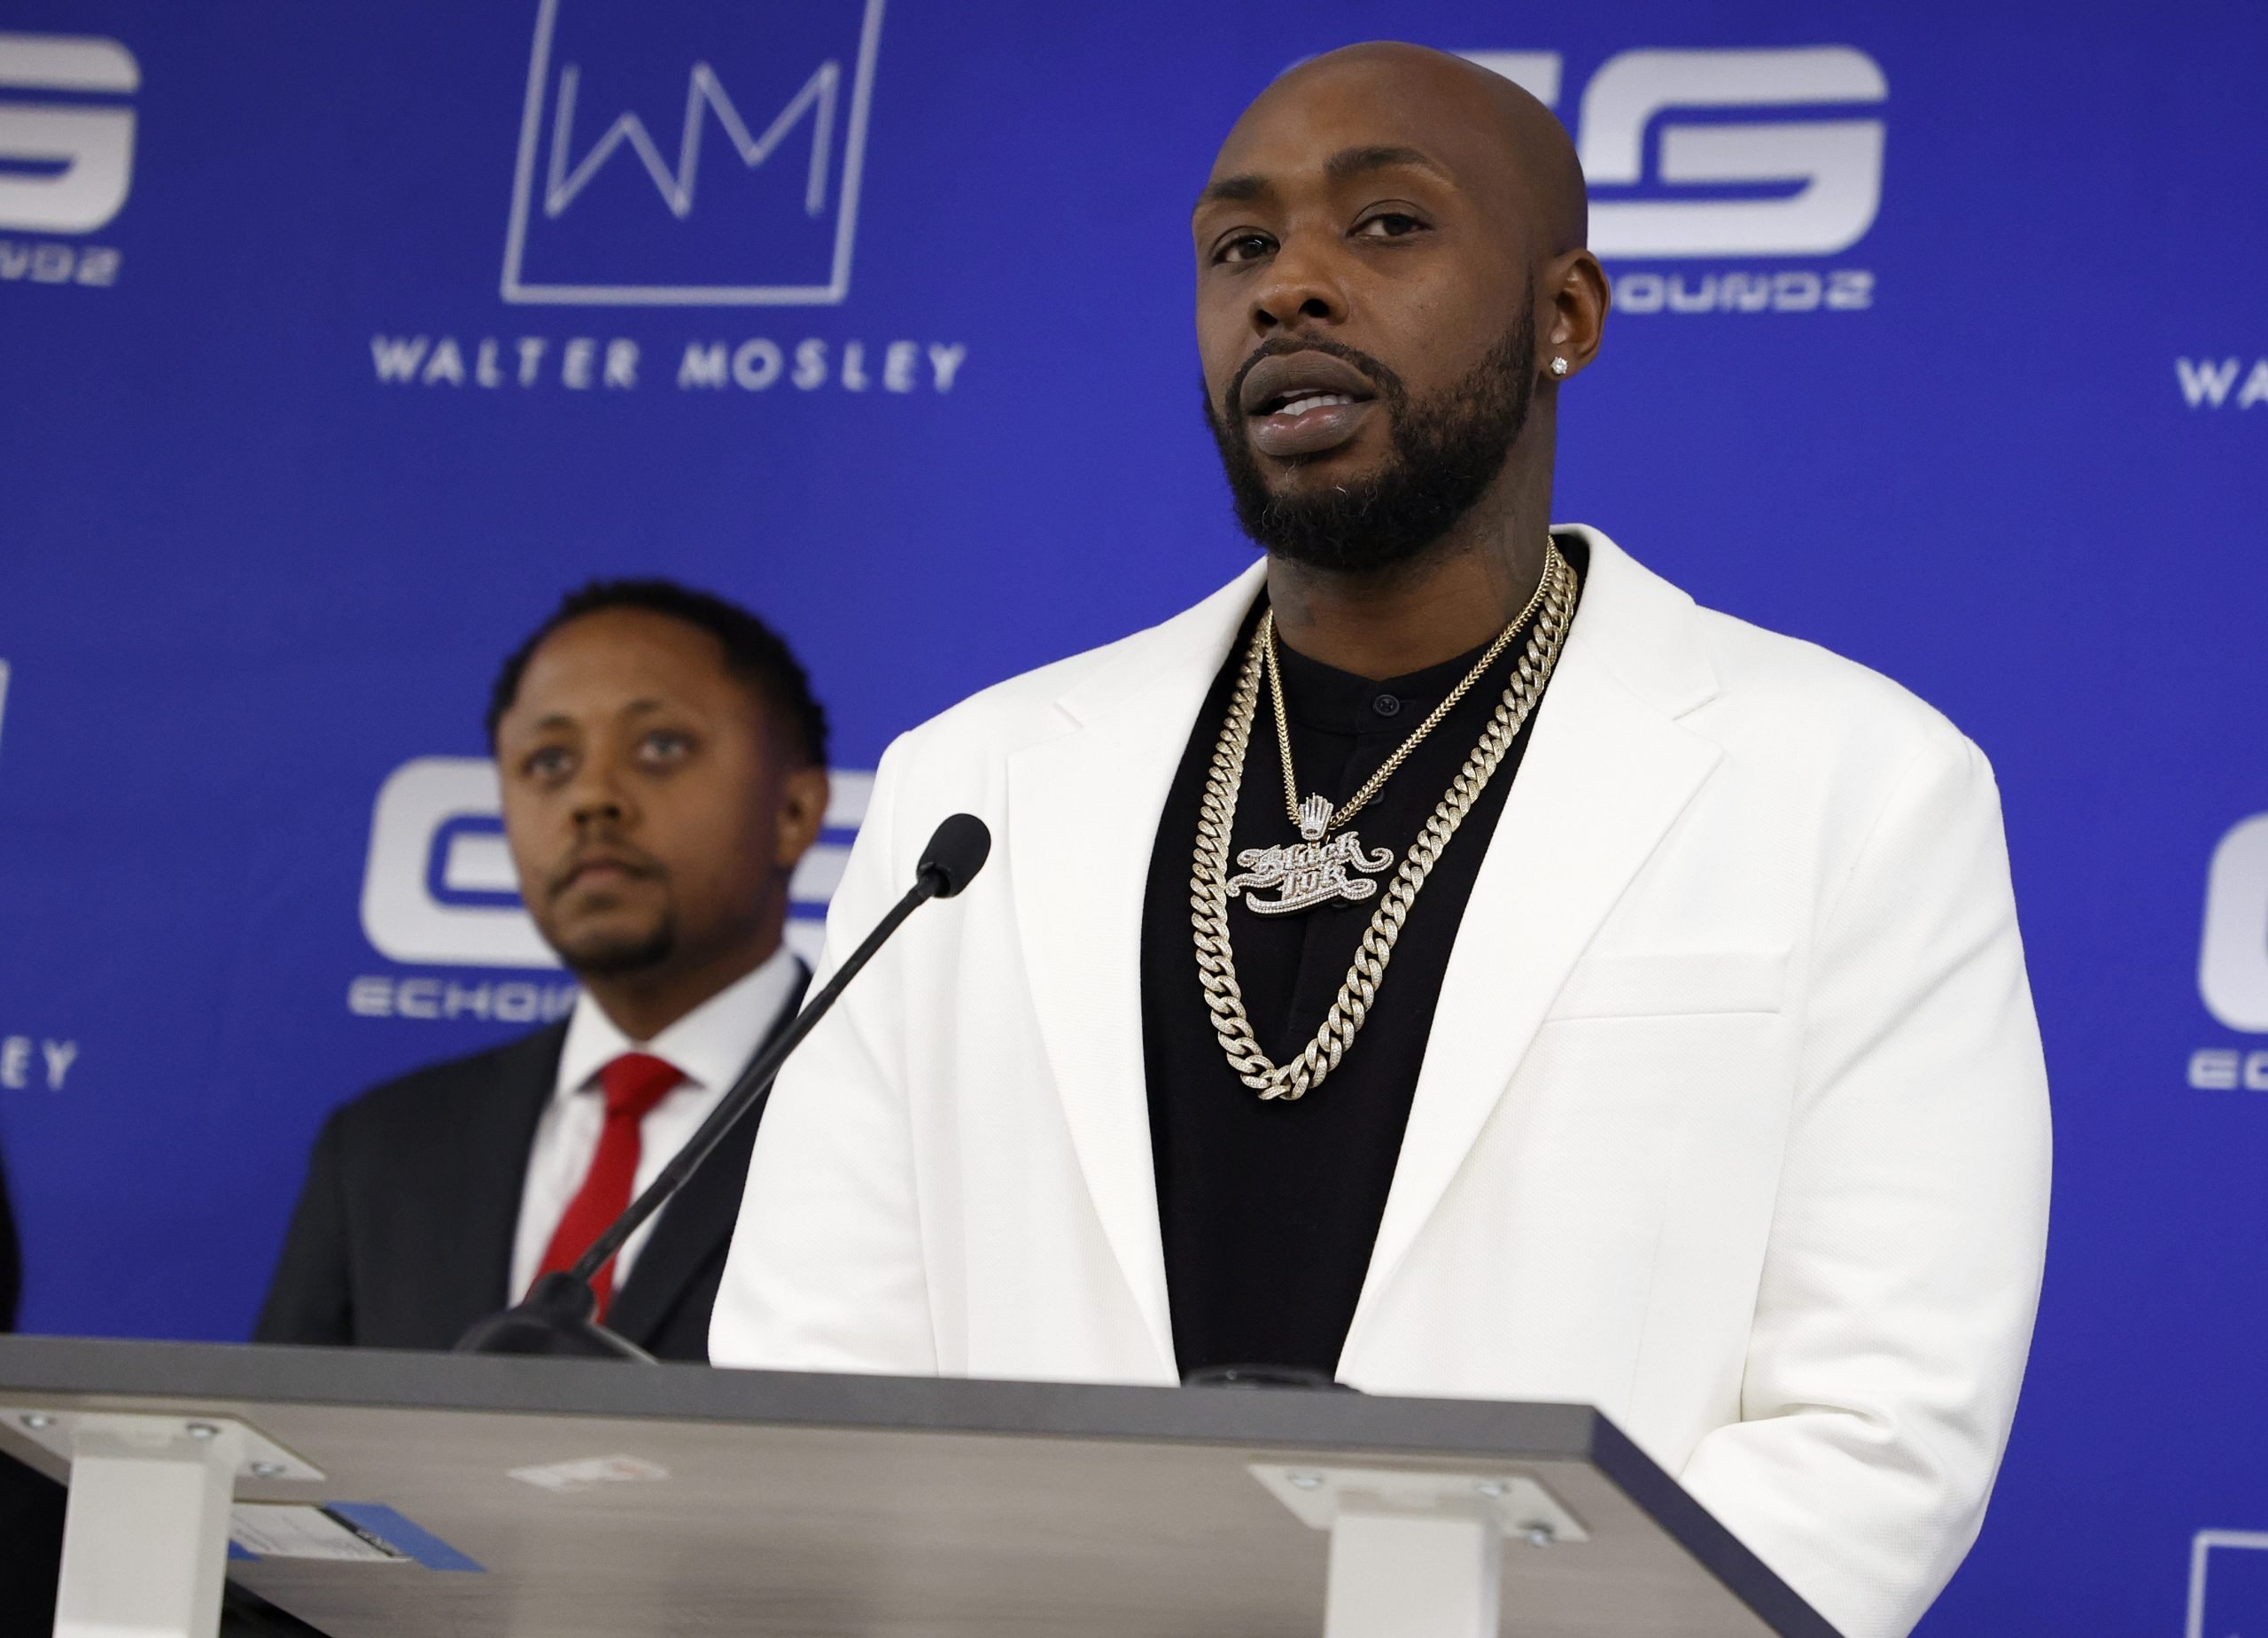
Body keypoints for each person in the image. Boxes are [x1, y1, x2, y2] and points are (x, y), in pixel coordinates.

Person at [709, 43, 2051, 1638]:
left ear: (1568, 314)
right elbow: (820, 1376)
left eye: (1388, 226)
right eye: (1240, 247)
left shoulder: (1855, 781)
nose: (1291, 289)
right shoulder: (973, 788)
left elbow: (1876, 1432)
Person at [260, 580, 827, 1361]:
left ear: (795, 812)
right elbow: (285, 1462)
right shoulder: (384, 1150)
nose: (592, 797)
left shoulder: (897, 1119)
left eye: (661, 747)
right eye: (549, 760)